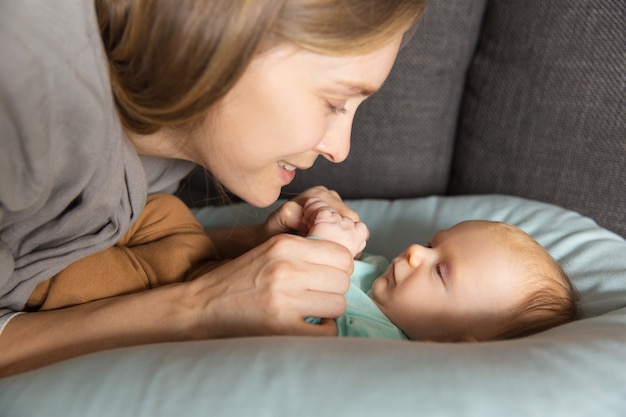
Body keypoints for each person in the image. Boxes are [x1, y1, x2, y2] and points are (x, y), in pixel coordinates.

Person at [0, 0, 426, 376]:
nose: (341, 149)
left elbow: (77, 253)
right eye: (333, 102)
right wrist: (198, 309)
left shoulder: (160, 155)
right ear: (220, 36)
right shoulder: (26, 97)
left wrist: (247, 249)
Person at [302, 197, 579, 341]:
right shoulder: (382, 274)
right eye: (430, 244)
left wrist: (323, 247)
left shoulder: (376, 341)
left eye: (439, 271)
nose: (415, 251)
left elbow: (296, 324)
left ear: (452, 343)